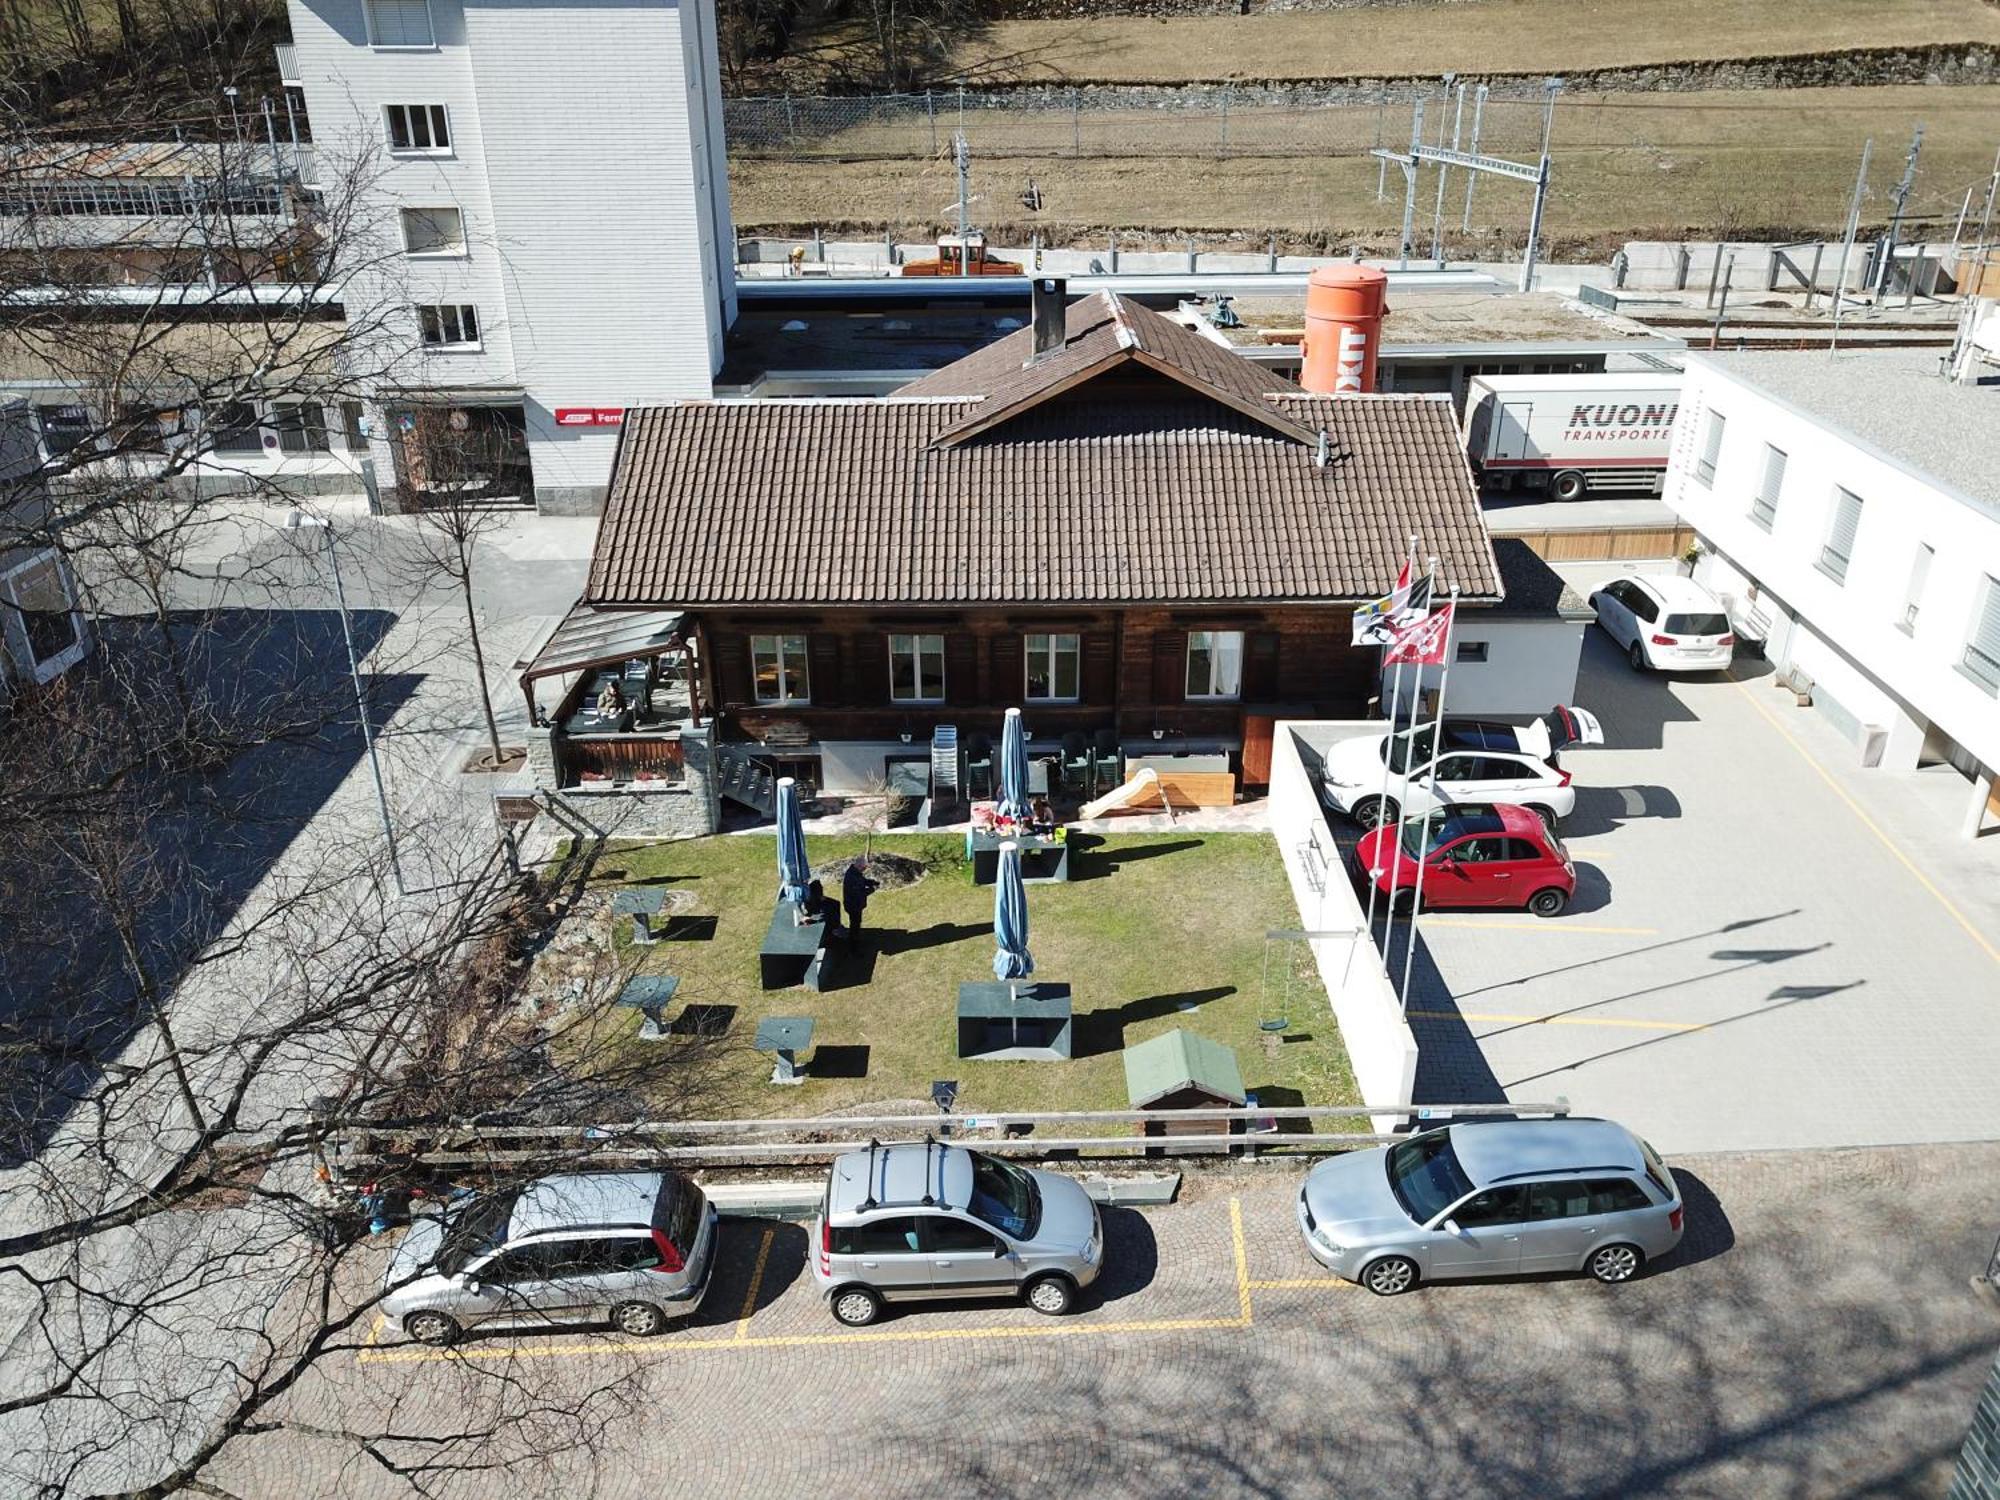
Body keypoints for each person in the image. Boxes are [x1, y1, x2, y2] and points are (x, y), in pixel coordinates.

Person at [842, 858, 880, 935]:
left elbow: (863, 881)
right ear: (859, 866)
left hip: (856, 904)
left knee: (857, 922)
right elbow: (859, 893)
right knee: (855, 924)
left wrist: (872, 882)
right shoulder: (851, 877)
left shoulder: (855, 872)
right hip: (853, 905)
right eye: (864, 868)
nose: (864, 870)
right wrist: (872, 889)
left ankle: (855, 936)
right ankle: (854, 940)